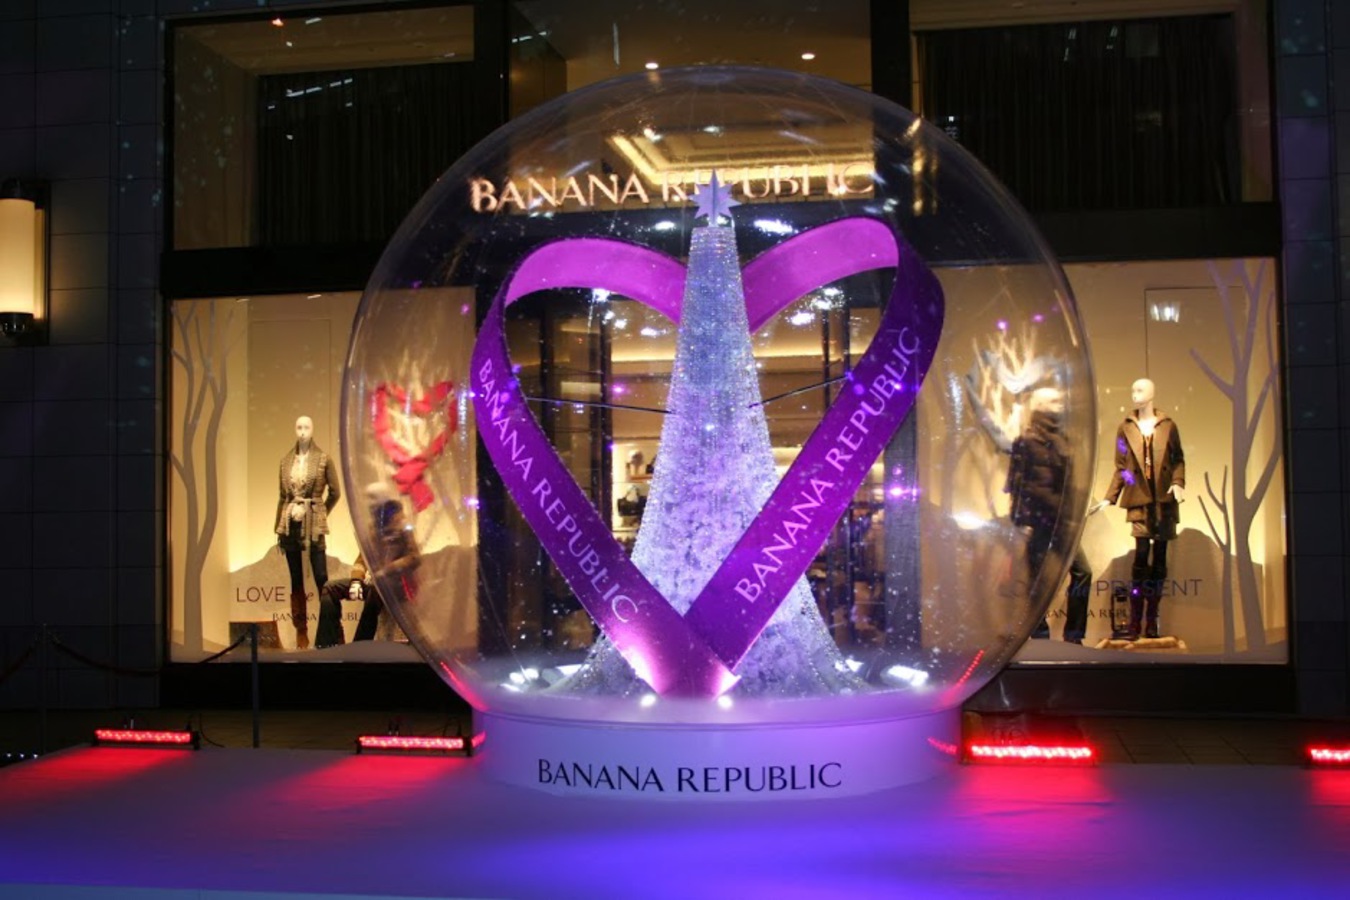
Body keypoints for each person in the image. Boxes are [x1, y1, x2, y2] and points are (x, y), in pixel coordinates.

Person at [1096, 378, 1185, 640]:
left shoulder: (1168, 426)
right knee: (1140, 559)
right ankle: (1135, 621)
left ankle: (1152, 620)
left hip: (1165, 502)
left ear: (1152, 393)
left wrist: (1178, 483)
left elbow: (1178, 459)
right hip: (1139, 502)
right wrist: (1110, 497)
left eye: (1140, 390)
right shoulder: (1125, 428)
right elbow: (1122, 467)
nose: (1134, 394)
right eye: (1133, 390)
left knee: (1160, 561)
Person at [1005, 386, 1092, 642]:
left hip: (1061, 522)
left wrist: (1073, 511)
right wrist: (1021, 520)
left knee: (1082, 572)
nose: (1061, 405)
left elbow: (1065, 483)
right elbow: (1018, 484)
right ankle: (1039, 634)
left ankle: (1074, 635)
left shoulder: (1061, 439)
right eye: (1054, 401)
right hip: (1040, 521)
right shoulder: (1027, 441)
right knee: (1038, 582)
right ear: (1040, 406)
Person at [319, 485, 421, 645]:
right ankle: (326, 643)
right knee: (330, 588)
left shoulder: (402, 525)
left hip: (398, 585)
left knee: (376, 589)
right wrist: (356, 581)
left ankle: (360, 644)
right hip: (375, 582)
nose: (369, 504)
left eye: (372, 499)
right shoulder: (373, 528)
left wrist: (386, 570)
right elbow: (363, 557)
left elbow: (414, 557)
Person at [274, 415, 340, 650]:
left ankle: (333, 630)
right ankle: (301, 631)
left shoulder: (323, 459)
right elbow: (283, 497)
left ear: (313, 430)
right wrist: (278, 527)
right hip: (290, 523)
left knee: (322, 577)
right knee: (296, 579)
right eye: (299, 427)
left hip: (314, 523)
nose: (302, 431)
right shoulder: (285, 461)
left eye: (306, 427)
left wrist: (320, 512)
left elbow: (335, 492)